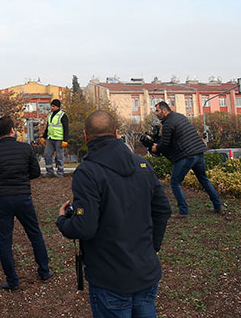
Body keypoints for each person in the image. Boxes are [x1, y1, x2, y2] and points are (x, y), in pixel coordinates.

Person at [57, 110, 171, 318]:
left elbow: (85, 226)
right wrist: (152, 247)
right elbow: (163, 209)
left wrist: (63, 220)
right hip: (145, 272)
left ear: (85, 135)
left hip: (110, 279)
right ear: (117, 132)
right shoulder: (143, 165)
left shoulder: (87, 172)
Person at [0, 116, 53, 291]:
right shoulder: (25, 148)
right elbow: (35, 172)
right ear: (12, 130)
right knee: (35, 234)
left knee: (5, 240)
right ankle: (44, 271)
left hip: (2, 199)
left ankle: (12, 281)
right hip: (23, 196)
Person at [151, 101, 223, 216]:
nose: (156, 113)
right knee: (204, 179)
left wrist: (156, 147)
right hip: (199, 152)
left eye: (157, 110)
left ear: (165, 111)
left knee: (174, 182)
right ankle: (218, 206)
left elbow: (165, 144)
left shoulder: (168, 123)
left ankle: (183, 211)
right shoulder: (180, 116)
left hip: (187, 155)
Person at [41, 99, 69, 177]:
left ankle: (60, 172)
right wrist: (43, 137)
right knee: (47, 155)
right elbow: (48, 127)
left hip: (59, 139)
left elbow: (66, 128)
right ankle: (50, 172)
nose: (52, 108)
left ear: (58, 106)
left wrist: (65, 140)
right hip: (50, 139)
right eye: (51, 106)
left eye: (53, 106)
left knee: (60, 156)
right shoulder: (50, 116)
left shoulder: (63, 115)